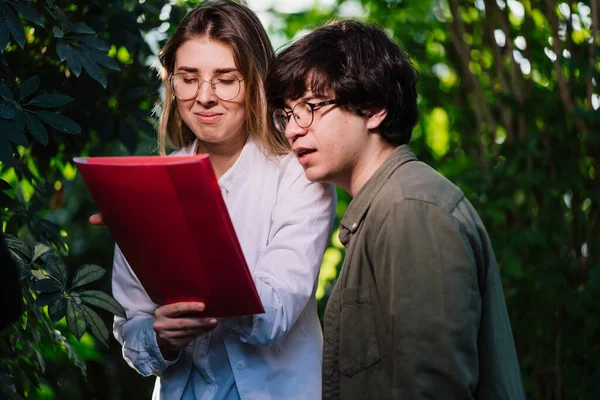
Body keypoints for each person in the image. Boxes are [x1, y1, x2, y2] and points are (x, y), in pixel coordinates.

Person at [266, 20, 525, 400]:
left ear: (373, 109)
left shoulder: (410, 210)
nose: (292, 130)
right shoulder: (388, 208)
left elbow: (432, 389)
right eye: (286, 115)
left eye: (309, 107)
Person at [105, 1, 335, 399]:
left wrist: (195, 254)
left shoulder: (297, 175)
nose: (205, 97)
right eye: (188, 78)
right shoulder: (148, 184)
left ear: (256, 82)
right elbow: (131, 326)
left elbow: (277, 311)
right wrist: (162, 338)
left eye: (226, 79)